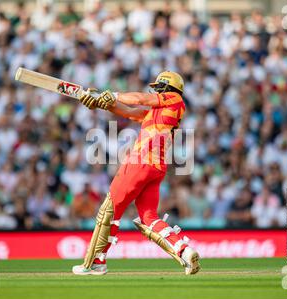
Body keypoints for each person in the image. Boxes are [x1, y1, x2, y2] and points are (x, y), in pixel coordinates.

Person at [67, 71, 200, 275]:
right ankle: (184, 250)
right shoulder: (158, 112)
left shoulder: (174, 99)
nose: (154, 91)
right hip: (156, 168)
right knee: (148, 218)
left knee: (109, 209)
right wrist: (98, 101)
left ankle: (94, 262)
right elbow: (128, 112)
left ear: (166, 88)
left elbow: (138, 98)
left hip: (141, 162)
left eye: (157, 88)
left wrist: (113, 94)